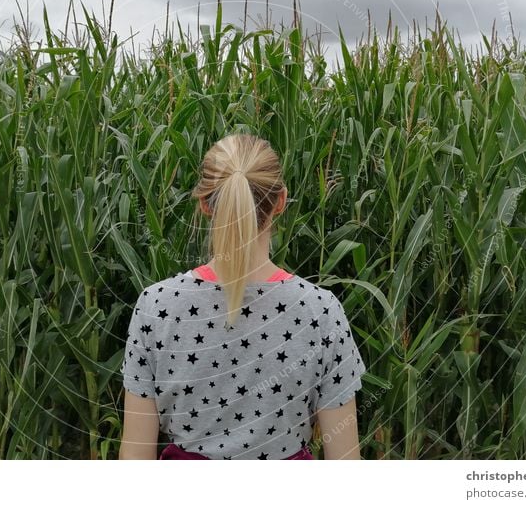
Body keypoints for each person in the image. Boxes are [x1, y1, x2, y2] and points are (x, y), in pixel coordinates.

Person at [118, 133, 366, 460]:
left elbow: (134, 463)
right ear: (280, 202)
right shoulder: (320, 311)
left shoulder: (156, 306)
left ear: (205, 204)